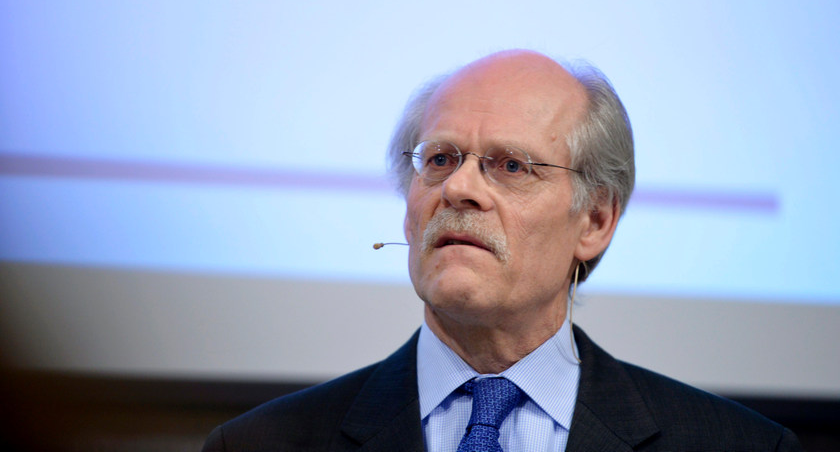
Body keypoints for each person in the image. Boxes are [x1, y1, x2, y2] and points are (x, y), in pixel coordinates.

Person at [202, 50, 802, 451]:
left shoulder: (740, 445)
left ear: (594, 220)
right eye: (439, 160)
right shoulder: (259, 444)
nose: (458, 188)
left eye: (511, 166)